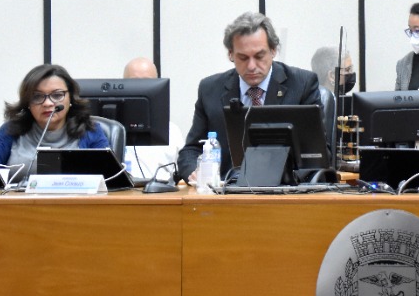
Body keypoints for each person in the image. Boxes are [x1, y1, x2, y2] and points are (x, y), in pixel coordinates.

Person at [177, 12, 321, 182]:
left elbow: (318, 154)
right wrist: (194, 171)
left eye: (259, 56)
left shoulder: (302, 85)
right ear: (231, 54)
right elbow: (191, 150)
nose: (252, 66)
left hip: (286, 192)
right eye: (243, 58)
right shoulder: (210, 90)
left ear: (273, 50)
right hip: (227, 194)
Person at [0, 63, 110, 180]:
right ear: (27, 102)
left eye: (57, 95)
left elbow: (110, 177)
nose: (47, 103)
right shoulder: (10, 130)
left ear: (70, 97)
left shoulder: (89, 130)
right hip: (19, 202)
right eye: (37, 96)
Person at [121, 57, 184, 182]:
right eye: (134, 82)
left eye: (146, 83)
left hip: (160, 197)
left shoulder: (171, 130)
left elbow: (183, 171)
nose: (139, 88)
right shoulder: (110, 131)